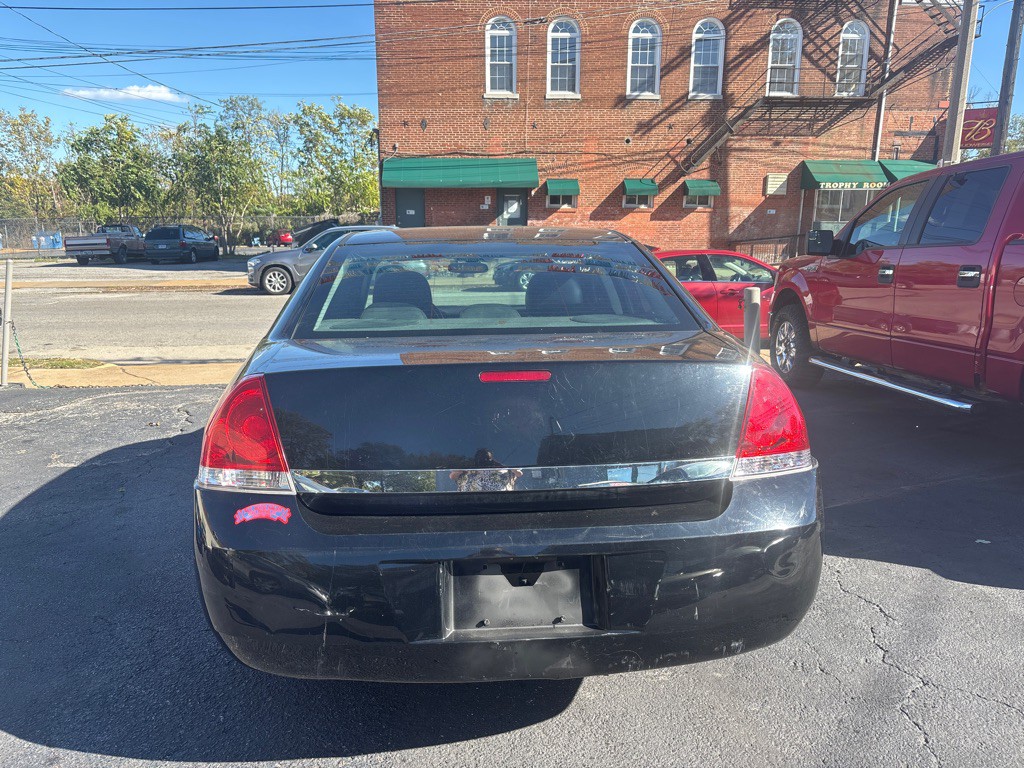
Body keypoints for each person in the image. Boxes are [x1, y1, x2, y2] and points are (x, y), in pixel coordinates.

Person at [449, 449, 523, 492]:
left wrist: (505, 465)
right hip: (469, 502)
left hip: (501, 502)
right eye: (481, 458)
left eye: (487, 458)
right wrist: (463, 468)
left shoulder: (503, 466)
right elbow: (452, 476)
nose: (484, 461)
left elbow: (519, 474)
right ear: (476, 458)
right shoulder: (467, 467)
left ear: (492, 458)